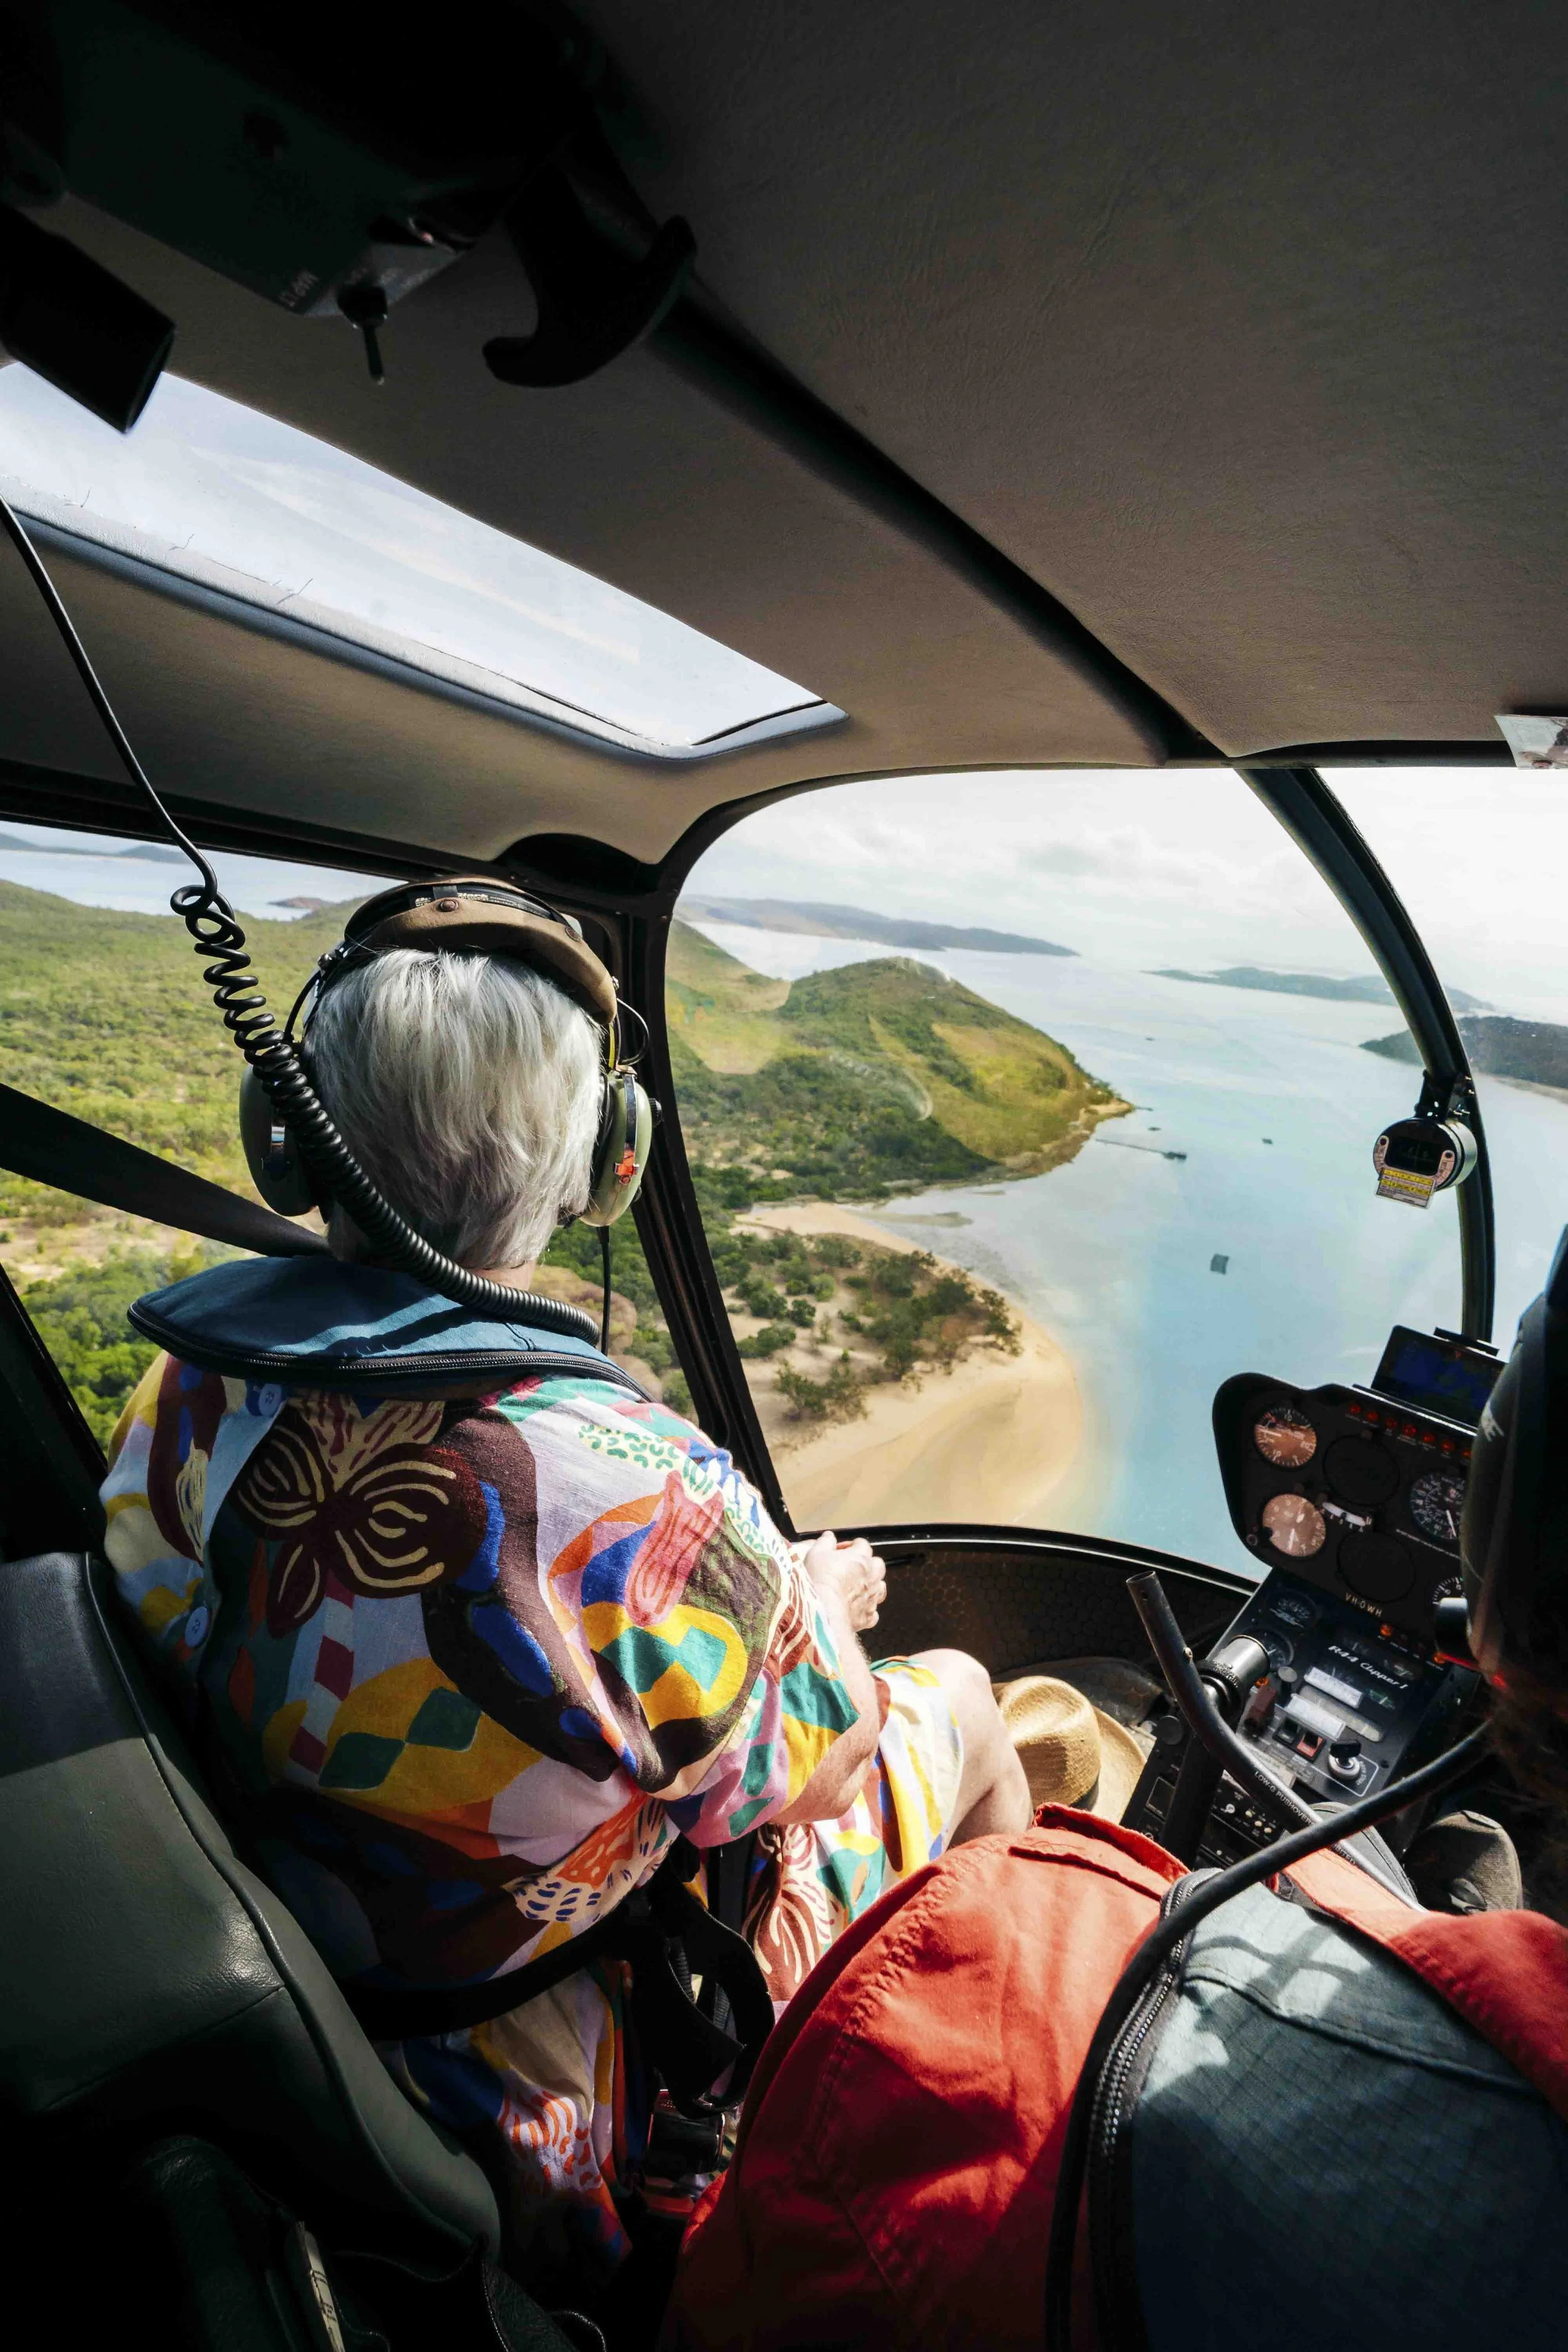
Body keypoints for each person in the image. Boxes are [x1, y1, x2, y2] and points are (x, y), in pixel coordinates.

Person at [99, 920, 1029, 2301]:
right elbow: (819, 1781)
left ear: (286, 1137)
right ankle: (978, 2089)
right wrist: (823, 1608)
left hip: (319, 2062)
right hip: (567, 2095)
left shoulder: (180, 1398)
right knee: (954, 1695)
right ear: (608, 1166)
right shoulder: (631, 1498)